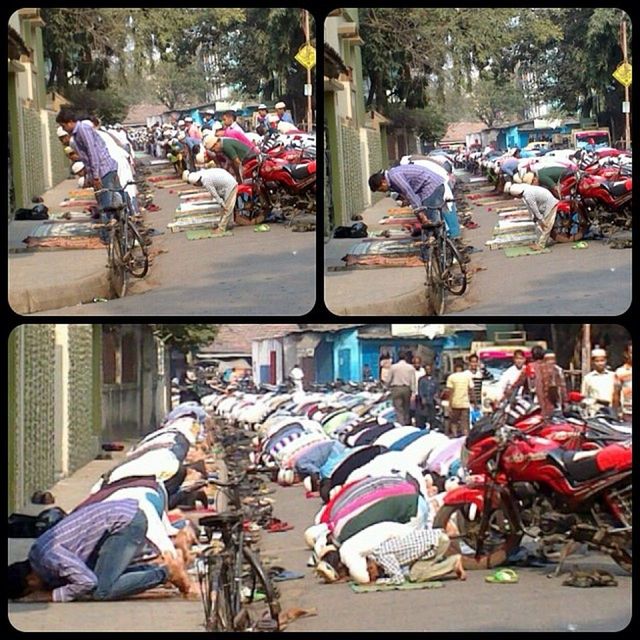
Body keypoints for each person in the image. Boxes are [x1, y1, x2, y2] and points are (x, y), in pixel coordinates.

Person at [7, 500, 187, 602]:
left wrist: (50, 596)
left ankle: (167, 573)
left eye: (30, 591)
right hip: (121, 515)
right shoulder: (37, 555)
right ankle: (158, 570)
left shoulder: (50, 557)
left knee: (102, 591)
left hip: (124, 523)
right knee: (104, 578)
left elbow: (87, 582)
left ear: (30, 580)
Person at [56, 108, 121, 228]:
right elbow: (87, 157)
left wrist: (95, 176)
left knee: (106, 204)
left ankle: (109, 235)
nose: (64, 129)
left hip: (104, 169)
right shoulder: (77, 134)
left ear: (70, 122)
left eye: (63, 126)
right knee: (109, 202)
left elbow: (93, 153)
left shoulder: (82, 130)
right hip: (103, 169)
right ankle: (116, 231)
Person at [366, 527, 465, 585]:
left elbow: (398, 579)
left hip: (435, 543)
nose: (373, 574)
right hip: (436, 537)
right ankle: (452, 562)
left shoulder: (381, 556)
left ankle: (452, 563)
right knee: (415, 569)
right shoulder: (378, 549)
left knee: (415, 576)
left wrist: (380, 581)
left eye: (370, 570)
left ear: (371, 564)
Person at [368, 164, 446, 225]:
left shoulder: (395, 176)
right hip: (427, 187)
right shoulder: (391, 181)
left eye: (381, 189)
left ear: (383, 182)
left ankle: (436, 240)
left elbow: (409, 192)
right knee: (423, 215)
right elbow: (407, 195)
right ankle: (434, 238)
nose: (384, 192)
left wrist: (420, 213)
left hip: (432, 186)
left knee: (430, 216)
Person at [184, 168, 238, 234]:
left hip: (230, 185)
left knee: (227, 208)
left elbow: (214, 194)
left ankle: (221, 228)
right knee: (225, 207)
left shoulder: (206, 181)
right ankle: (226, 224)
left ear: (197, 182)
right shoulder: (201, 173)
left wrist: (221, 203)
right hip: (225, 184)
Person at [509, 182, 559, 251]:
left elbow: (534, 208)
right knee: (541, 224)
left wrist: (540, 219)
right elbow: (531, 208)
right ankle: (540, 242)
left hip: (550, 203)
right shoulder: (526, 189)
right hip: (544, 203)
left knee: (546, 225)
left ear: (518, 194)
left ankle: (541, 245)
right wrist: (535, 217)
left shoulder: (528, 195)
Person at [582, 348, 618, 414]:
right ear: (592, 362)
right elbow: (584, 397)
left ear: (606, 361)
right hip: (595, 412)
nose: (600, 363)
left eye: (602, 360)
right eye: (597, 361)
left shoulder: (613, 376)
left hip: (611, 411)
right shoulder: (588, 378)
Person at [387, 352, 417, 426]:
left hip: (396, 388)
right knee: (406, 407)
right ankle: (407, 423)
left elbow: (388, 380)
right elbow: (413, 380)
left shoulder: (393, 367)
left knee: (398, 408)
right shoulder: (410, 367)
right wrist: (413, 392)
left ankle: (401, 424)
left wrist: (387, 387)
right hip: (407, 389)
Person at [445, 361, 473, 437]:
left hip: (455, 403)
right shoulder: (467, 377)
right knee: (465, 423)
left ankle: (455, 435)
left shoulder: (451, 377)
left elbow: (450, 392)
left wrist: (449, 405)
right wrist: (474, 402)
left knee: (454, 422)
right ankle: (466, 437)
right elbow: (470, 390)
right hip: (465, 403)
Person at [416, 364, 440, 430]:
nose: (428, 371)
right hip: (424, 400)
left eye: (429, 369)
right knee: (423, 415)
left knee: (432, 415)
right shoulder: (421, 379)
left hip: (432, 400)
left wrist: (436, 397)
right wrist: (422, 398)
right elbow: (420, 389)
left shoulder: (435, 380)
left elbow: (437, 389)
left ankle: (432, 427)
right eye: (426, 369)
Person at [614, 343, 632, 422]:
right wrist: (616, 412)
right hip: (628, 413)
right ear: (626, 354)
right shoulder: (620, 372)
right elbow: (616, 393)